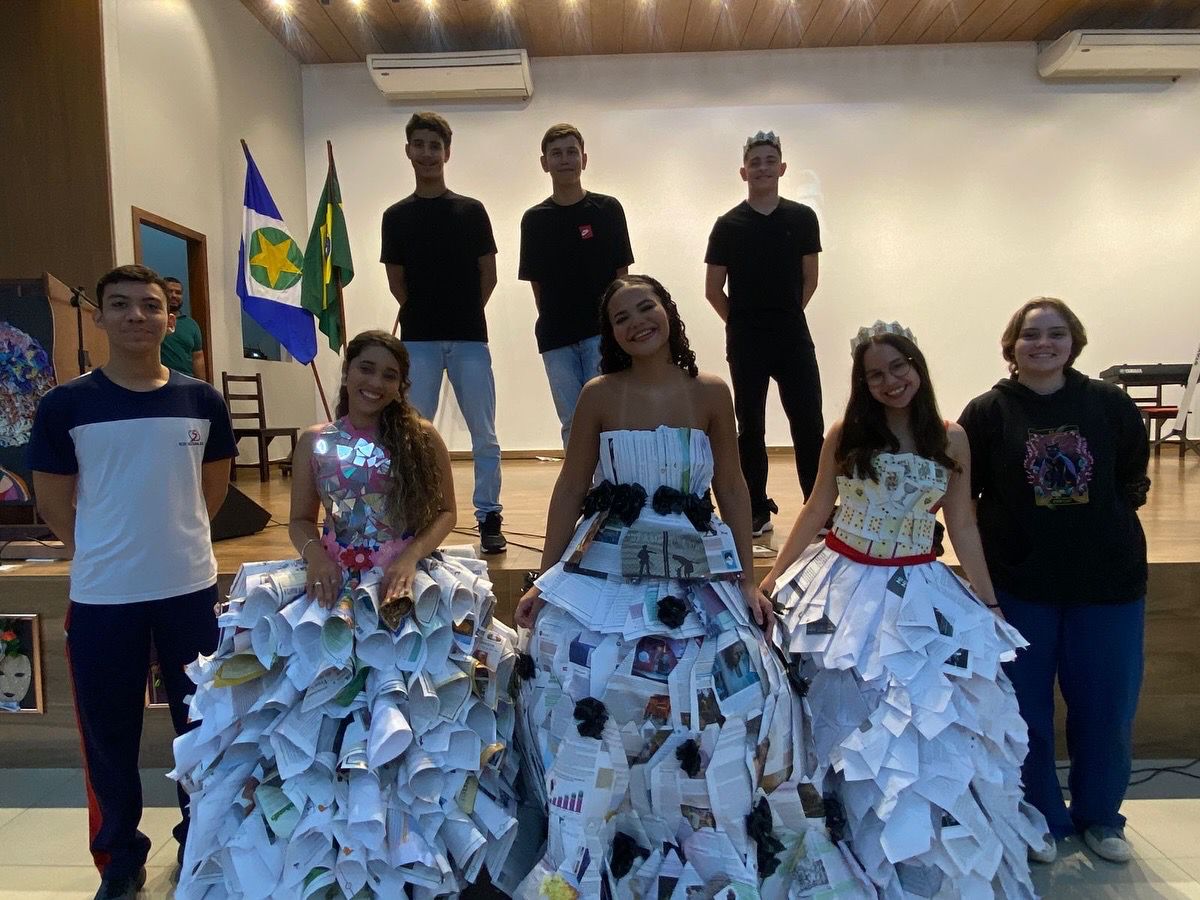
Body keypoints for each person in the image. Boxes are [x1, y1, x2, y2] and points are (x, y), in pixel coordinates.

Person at [513, 276, 869, 897]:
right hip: (609, 555)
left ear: (669, 312)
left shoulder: (710, 392)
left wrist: (748, 580)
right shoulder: (599, 394)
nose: (637, 322)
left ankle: (702, 828)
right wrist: (548, 577)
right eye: (621, 317)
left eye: (645, 307)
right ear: (612, 334)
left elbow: (731, 485)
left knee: (738, 680)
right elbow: (570, 487)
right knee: (588, 674)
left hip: (696, 558)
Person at [172, 330, 521, 898]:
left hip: (403, 582)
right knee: (324, 711)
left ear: (402, 385)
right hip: (334, 583)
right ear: (347, 371)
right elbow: (301, 519)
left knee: (412, 711)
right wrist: (315, 556)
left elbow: (445, 513)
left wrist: (409, 557)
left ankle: (415, 853)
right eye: (366, 368)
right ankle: (330, 853)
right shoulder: (315, 440)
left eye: (389, 375)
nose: (375, 383)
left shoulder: (421, 438)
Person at [761, 321, 1051, 896]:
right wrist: (771, 579)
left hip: (918, 585)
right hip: (843, 582)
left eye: (900, 367)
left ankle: (925, 851)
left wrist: (988, 599)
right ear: (862, 383)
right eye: (876, 374)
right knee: (848, 708)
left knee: (929, 715)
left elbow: (961, 523)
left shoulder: (951, 437)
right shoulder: (847, 432)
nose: (891, 381)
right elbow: (817, 507)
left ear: (918, 367)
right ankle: (844, 845)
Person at [27, 264, 236, 900]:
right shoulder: (66, 406)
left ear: (170, 318)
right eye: (120, 305)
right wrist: (104, 552)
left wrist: (173, 543)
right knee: (108, 735)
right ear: (100, 318)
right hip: (104, 597)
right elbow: (54, 502)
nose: (136, 317)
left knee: (201, 729)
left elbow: (213, 491)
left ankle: (200, 843)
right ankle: (120, 861)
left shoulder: (202, 401)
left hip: (189, 591)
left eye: (150, 306)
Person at [959, 298, 1150, 865]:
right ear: (1011, 345)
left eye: (1056, 333)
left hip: (1108, 584)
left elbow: (1130, 478)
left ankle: (1101, 816)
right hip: (1020, 587)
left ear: (1074, 341)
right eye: (1031, 334)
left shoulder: (1110, 404)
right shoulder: (987, 412)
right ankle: (1037, 816)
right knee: (1023, 714)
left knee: (1107, 710)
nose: (1043, 343)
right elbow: (965, 498)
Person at [381, 111, 506, 553]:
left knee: (484, 434)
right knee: (414, 433)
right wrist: (427, 316)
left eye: (435, 146)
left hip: (470, 340)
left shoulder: (471, 211)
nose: (427, 153)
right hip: (418, 341)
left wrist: (463, 314)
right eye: (419, 144)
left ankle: (489, 516)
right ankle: (418, 514)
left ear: (447, 153)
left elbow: (488, 275)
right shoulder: (395, 216)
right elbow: (397, 282)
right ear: (408, 151)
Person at [705, 130, 823, 537]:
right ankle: (756, 510)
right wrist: (740, 323)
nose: (762, 168)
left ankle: (817, 508)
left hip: (792, 337)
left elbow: (810, 279)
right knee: (750, 427)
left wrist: (785, 316)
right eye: (754, 162)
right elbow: (713, 289)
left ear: (782, 168)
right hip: (747, 341)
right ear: (744, 172)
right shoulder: (727, 225)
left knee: (808, 422)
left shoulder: (803, 219)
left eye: (770, 160)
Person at [518, 123, 634, 446]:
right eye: (556, 153)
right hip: (556, 337)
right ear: (545, 163)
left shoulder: (608, 210)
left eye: (571, 152)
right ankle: (580, 481)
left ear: (584, 159)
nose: (565, 159)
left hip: (602, 333)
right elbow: (537, 284)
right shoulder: (534, 220)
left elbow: (621, 276)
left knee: (610, 417)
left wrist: (617, 327)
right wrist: (555, 318)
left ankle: (612, 479)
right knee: (572, 421)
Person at [159, 276, 206, 380]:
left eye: (178, 292)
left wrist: (202, 384)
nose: (174, 295)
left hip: (187, 380)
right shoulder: (153, 321)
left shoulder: (191, 324)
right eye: (169, 291)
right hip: (160, 379)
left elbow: (198, 357)